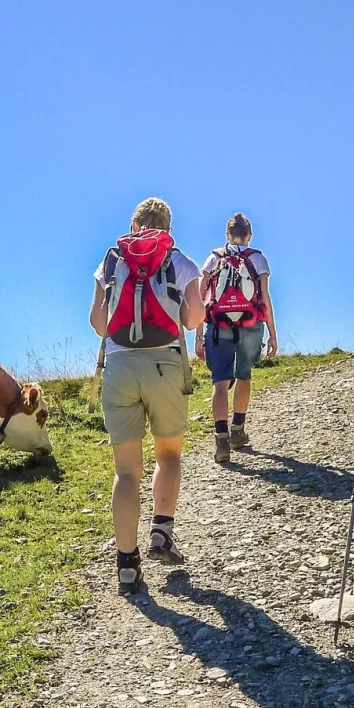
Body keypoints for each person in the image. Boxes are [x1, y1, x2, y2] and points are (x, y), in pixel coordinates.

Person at [90, 197, 206, 595]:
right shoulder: (181, 262)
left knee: (125, 472)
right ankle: (162, 532)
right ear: (168, 227)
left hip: (120, 368)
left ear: (133, 224)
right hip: (166, 364)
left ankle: (126, 568)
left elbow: (99, 325)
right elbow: (193, 320)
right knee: (168, 454)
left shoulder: (110, 261)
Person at [195, 212, 278, 462]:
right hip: (250, 324)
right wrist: (273, 334)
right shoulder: (258, 259)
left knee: (219, 383)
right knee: (244, 375)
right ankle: (238, 430)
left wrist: (198, 335)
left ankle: (221, 440)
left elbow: (202, 298)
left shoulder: (214, 258)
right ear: (249, 235)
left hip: (218, 324)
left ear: (227, 235)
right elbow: (264, 297)